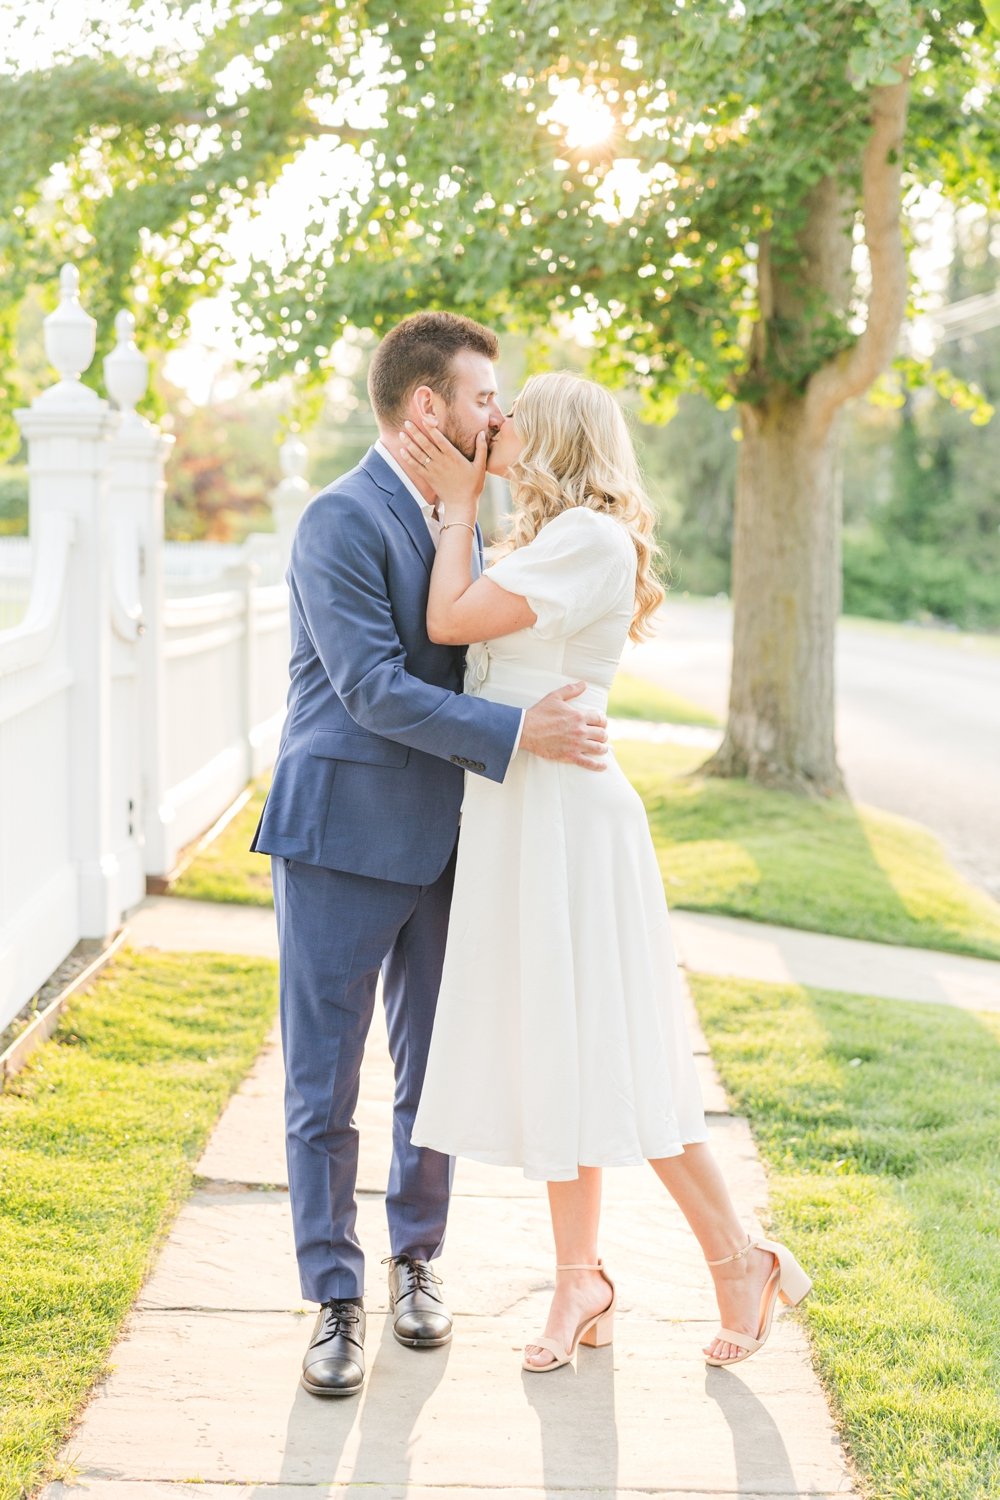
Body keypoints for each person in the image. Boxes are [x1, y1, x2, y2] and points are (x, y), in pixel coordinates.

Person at [405, 371, 812, 1372]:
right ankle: (580, 1279)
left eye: (508, 415)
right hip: (520, 817)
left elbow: (449, 623)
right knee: (560, 1051)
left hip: (568, 829)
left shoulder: (587, 539)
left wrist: (456, 506)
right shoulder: (548, 541)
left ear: (549, 436)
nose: (490, 423)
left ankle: (740, 1258)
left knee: (615, 1052)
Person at [251, 314, 611, 1399]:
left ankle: (416, 1264)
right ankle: (333, 1296)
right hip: (337, 838)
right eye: (483, 397)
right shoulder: (338, 520)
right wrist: (517, 737)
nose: (497, 414)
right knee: (324, 1084)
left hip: (452, 838)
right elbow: (367, 688)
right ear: (428, 409)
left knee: (431, 1073)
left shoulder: (470, 521)